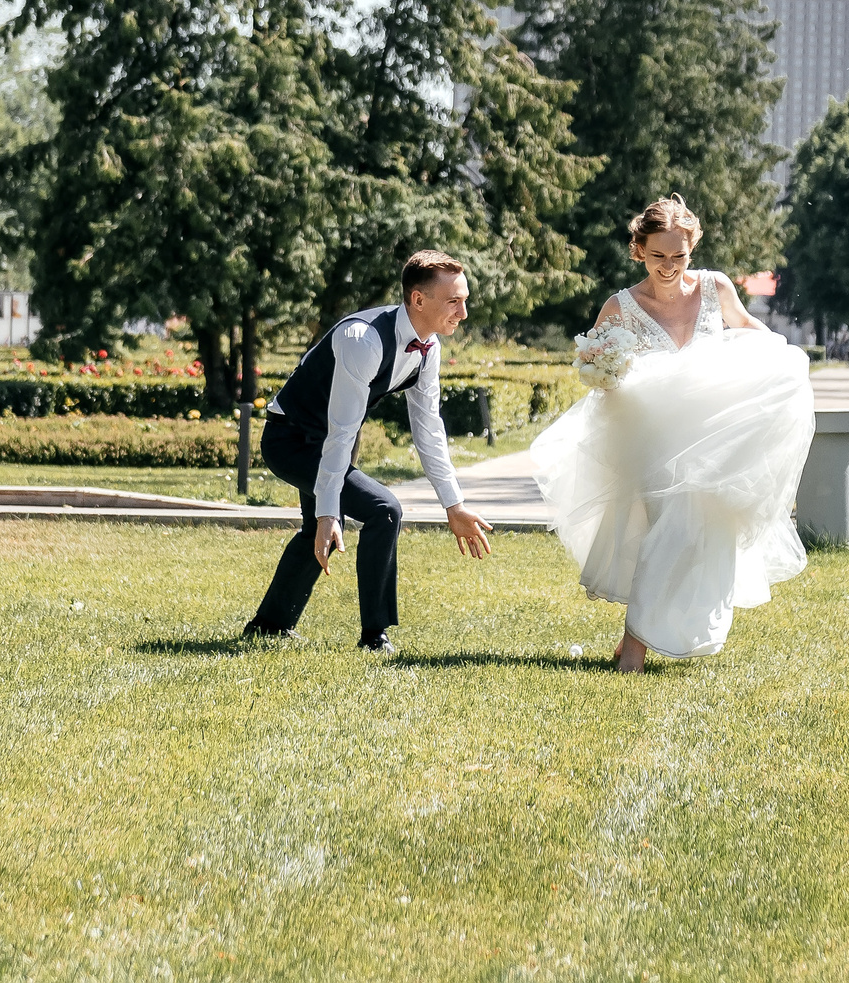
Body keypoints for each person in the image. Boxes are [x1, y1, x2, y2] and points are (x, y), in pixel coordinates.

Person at [531, 196, 814, 673]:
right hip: (650, 438)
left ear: (692, 249)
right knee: (666, 530)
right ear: (638, 249)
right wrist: (603, 367)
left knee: (695, 530)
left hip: (712, 437)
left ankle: (634, 640)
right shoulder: (620, 306)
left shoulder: (715, 287)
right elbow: (590, 362)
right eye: (657, 255)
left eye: (678, 256)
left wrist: (778, 360)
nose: (668, 266)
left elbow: (748, 329)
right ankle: (636, 647)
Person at [241, 250, 495, 651]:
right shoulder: (363, 338)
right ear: (418, 299)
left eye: (464, 300)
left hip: (331, 445)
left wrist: (454, 504)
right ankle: (374, 636)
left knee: (318, 530)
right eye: (454, 301)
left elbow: (428, 429)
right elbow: (341, 432)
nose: (463, 313)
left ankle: (267, 626)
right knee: (383, 509)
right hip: (291, 441)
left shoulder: (428, 347)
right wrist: (330, 511)